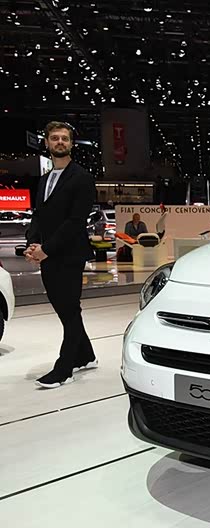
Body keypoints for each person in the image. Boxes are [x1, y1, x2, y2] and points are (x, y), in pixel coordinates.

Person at [24, 121, 97, 388]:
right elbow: (39, 216)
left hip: (69, 255)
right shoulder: (44, 180)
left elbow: (75, 222)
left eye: (64, 138)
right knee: (66, 309)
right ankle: (86, 355)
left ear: (71, 144)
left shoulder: (82, 177)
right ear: (46, 143)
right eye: (54, 138)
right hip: (48, 254)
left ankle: (64, 368)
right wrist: (33, 243)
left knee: (69, 309)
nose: (60, 142)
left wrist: (46, 249)